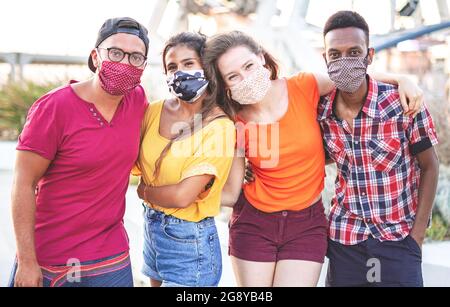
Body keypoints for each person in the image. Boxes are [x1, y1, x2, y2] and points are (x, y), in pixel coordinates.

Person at [202, 30, 425, 287]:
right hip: (255, 222)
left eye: (249, 66)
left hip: (305, 224)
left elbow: (352, 80)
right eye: (233, 76)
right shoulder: (233, 120)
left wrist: (400, 78)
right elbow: (230, 191)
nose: (246, 78)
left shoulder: (303, 86)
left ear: (262, 58)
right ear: (225, 84)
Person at [9, 17, 149, 287]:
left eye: (135, 57)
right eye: (116, 53)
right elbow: (22, 184)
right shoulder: (54, 107)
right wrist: (27, 262)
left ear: (143, 65)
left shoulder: (138, 101)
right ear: (96, 56)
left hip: (110, 259)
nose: (125, 63)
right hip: (51, 260)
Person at [318, 11, 439, 287]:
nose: (344, 61)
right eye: (335, 54)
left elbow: (430, 167)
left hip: (398, 240)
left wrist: (416, 237)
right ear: (325, 59)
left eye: (354, 52)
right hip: (345, 240)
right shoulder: (321, 110)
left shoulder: (402, 103)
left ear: (369, 56)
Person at [133, 32, 236, 287]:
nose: (180, 72)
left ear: (206, 67)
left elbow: (183, 196)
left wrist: (144, 191)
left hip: (190, 242)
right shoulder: (154, 110)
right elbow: (131, 160)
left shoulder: (219, 127)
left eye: (189, 64)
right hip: (152, 228)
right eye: (172, 67)